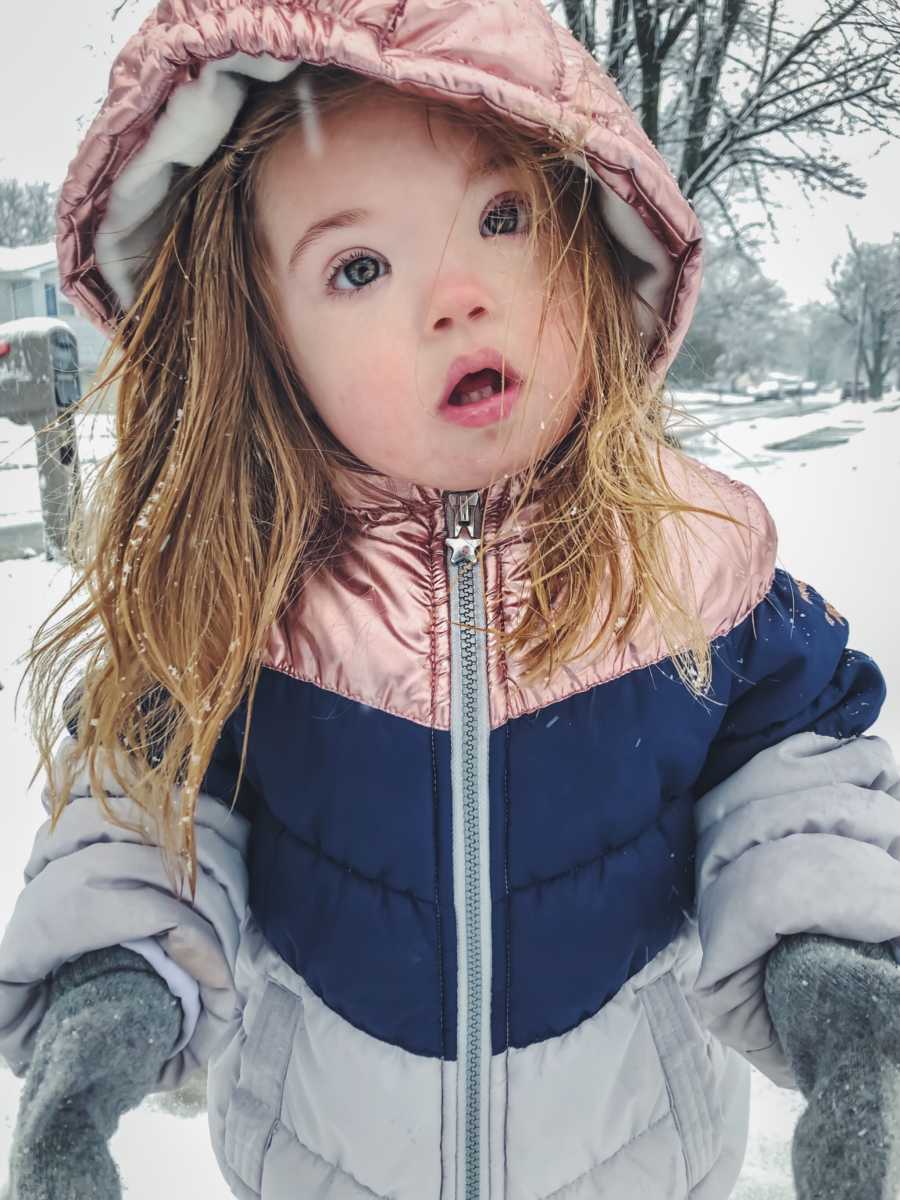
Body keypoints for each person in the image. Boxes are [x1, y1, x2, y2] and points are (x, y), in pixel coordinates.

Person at [2, 2, 900, 1198]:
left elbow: (792, 787)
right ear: (264, 342)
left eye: (505, 214)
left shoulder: (697, 562)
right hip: (322, 1160)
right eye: (359, 266)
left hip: (634, 1154)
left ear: (590, 234)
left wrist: (829, 963)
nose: (460, 295)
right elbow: (149, 813)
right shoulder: (239, 596)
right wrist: (110, 988)